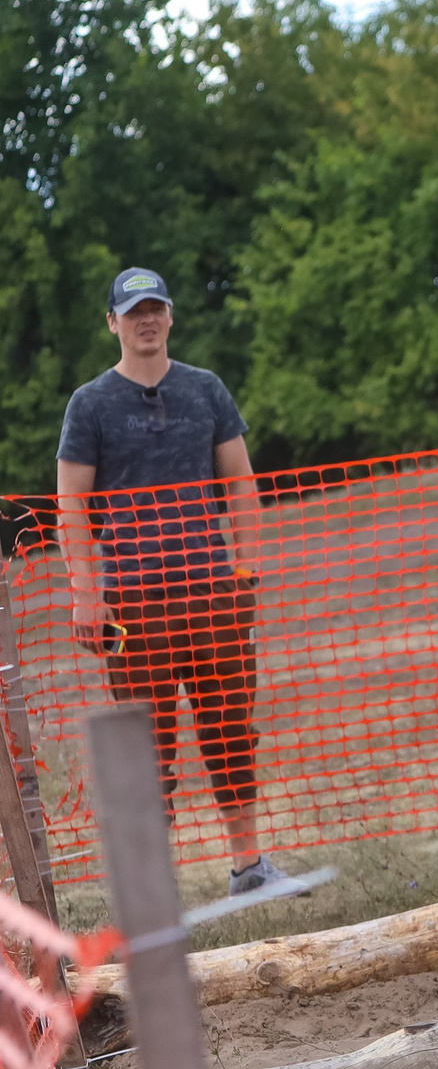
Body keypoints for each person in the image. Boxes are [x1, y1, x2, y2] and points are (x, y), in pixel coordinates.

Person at [55, 267, 304, 896]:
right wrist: (86, 594)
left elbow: (240, 483)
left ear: (170, 315)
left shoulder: (206, 389)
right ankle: (151, 891)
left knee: (230, 729)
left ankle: (249, 867)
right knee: (146, 744)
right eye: (133, 311)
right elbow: (71, 507)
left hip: (213, 593)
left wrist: (245, 568)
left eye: (155, 308)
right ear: (112, 322)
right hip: (135, 603)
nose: (147, 320)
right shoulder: (90, 404)